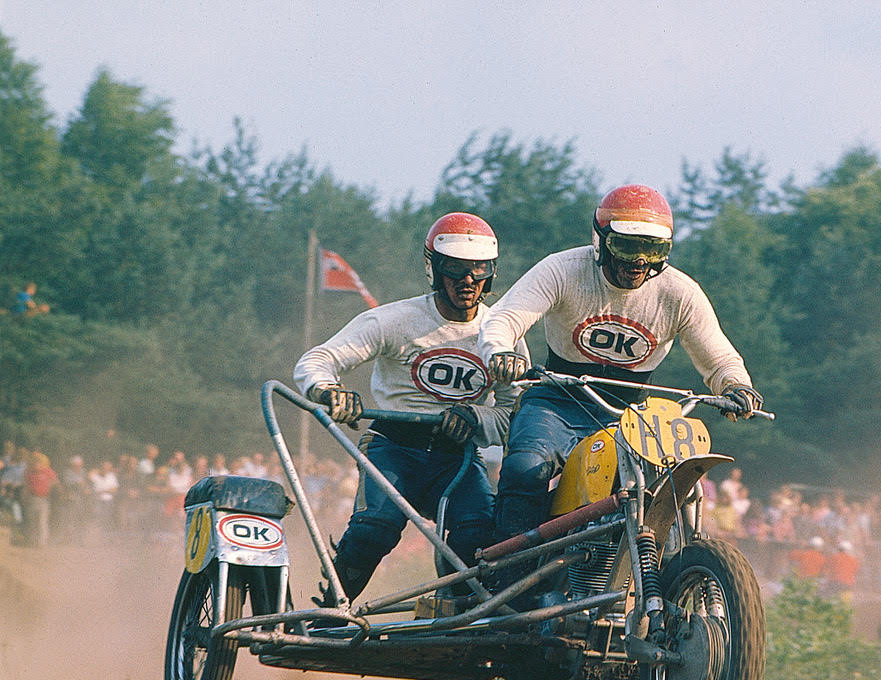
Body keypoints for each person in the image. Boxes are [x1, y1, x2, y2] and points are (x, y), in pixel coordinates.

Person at [476, 184, 764, 543]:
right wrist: (500, 351)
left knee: (667, 491)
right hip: (556, 402)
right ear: (601, 241)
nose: (640, 260)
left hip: (632, 416)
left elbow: (718, 356)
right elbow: (504, 318)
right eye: (628, 245)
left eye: (653, 248)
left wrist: (736, 384)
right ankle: (508, 583)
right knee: (524, 470)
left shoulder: (680, 292)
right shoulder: (563, 270)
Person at [294, 212, 529, 602]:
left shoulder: (504, 334)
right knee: (376, 527)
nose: (467, 281)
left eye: (478, 270)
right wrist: (328, 391)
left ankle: (457, 616)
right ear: (433, 269)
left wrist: (474, 417)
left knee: (479, 540)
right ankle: (332, 608)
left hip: (458, 458)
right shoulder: (395, 319)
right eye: (455, 269)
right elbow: (316, 361)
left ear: (491, 273)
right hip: (393, 448)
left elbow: (514, 414)